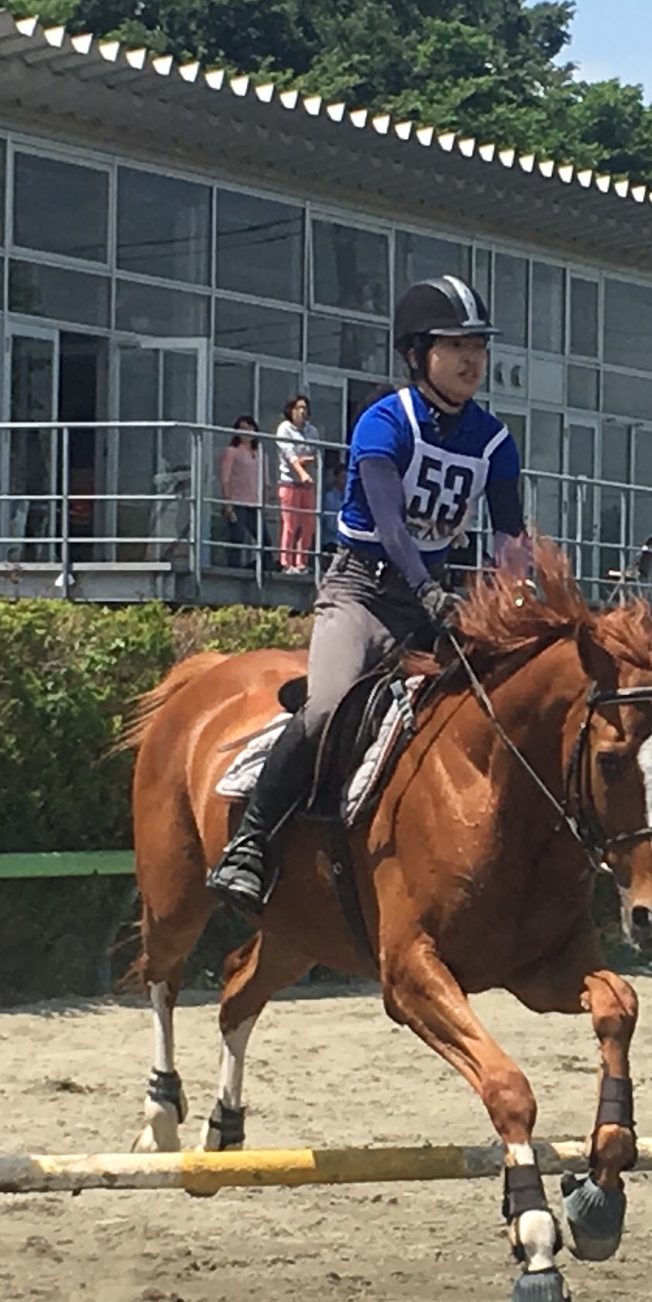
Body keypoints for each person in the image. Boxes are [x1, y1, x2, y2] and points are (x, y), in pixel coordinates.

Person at [207, 276, 528, 912]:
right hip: (361, 593)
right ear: (416, 354)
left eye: (478, 347)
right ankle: (250, 843)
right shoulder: (385, 421)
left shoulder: (493, 440)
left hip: (431, 605)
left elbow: (510, 536)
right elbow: (388, 521)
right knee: (326, 707)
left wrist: (518, 603)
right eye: (454, 345)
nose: (472, 359)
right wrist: (428, 590)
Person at [272, 394, 320, 574]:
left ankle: (301, 562)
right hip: (289, 482)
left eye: (305, 408)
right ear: (291, 410)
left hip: (307, 485)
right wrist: (302, 469)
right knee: (290, 524)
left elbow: (314, 456)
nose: (302, 412)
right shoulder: (284, 428)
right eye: (299, 408)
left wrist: (305, 462)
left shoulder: (312, 431)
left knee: (308, 525)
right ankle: (286, 562)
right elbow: (289, 455)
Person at [216, 414, 263, 572]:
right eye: (242, 429)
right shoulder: (233, 451)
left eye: (250, 428)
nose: (247, 432)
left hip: (255, 503)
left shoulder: (260, 453)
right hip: (237, 501)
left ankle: (262, 568)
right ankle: (234, 569)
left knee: (264, 540)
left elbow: (265, 481)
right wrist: (227, 502)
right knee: (237, 538)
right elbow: (226, 478)